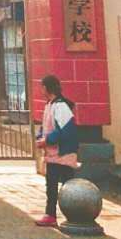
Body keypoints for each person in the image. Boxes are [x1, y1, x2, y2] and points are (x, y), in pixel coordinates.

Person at [35, 73, 79, 227]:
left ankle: (72, 213)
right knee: (52, 185)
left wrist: (47, 140)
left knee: (67, 186)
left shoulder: (60, 107)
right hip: (53, 153)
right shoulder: (50, 105)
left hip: (63, 153)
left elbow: (66, 130)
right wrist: (41, 137)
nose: (41, 90)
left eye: (42, 87)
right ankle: (52, 214)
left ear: (46, 88)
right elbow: (46, 126)